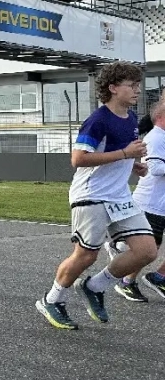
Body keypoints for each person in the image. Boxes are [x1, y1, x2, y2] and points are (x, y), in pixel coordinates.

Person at [36, 62, 158, 330]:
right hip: (91, 195)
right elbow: (79, 159)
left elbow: (117, 154)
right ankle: (52, 300)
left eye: (138, 85)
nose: (138, 90)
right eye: (132, 85)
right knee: (86, 255)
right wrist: (125, 155)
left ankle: (95, 286)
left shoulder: (129, 119)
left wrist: (132, 165)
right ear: (113, 88)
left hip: (119, 197)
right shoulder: (98, 119)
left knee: (147, 250)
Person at [114, 97, 165, 300]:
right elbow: (155, 168)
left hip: (161, 204)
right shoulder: (155, 138)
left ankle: (159, 277)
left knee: (150, 249)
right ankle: (126, 281)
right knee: (147, 251)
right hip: (151, 204)